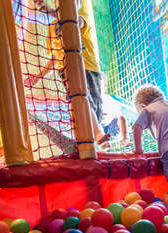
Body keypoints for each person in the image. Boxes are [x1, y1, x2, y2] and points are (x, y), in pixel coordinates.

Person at [27, 0, 109, 146]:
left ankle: (95, 135)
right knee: (77, 101)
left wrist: (49, 10)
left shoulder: (81, 10)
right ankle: (90, 137)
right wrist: (39, 76)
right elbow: (55, 56)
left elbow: (75, 21)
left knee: (92, 107)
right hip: (66, 68)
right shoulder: (52, 26)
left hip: (87, 65)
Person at [100, 73, 130, 146]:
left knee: (121, 118)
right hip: (96, 127)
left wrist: (124, 136)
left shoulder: (108, 100)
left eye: (98, 84)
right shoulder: (89, 99)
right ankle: (103, 141)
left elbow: (120, 117)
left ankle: (125, 138)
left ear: (105, 86)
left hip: (110, 126)